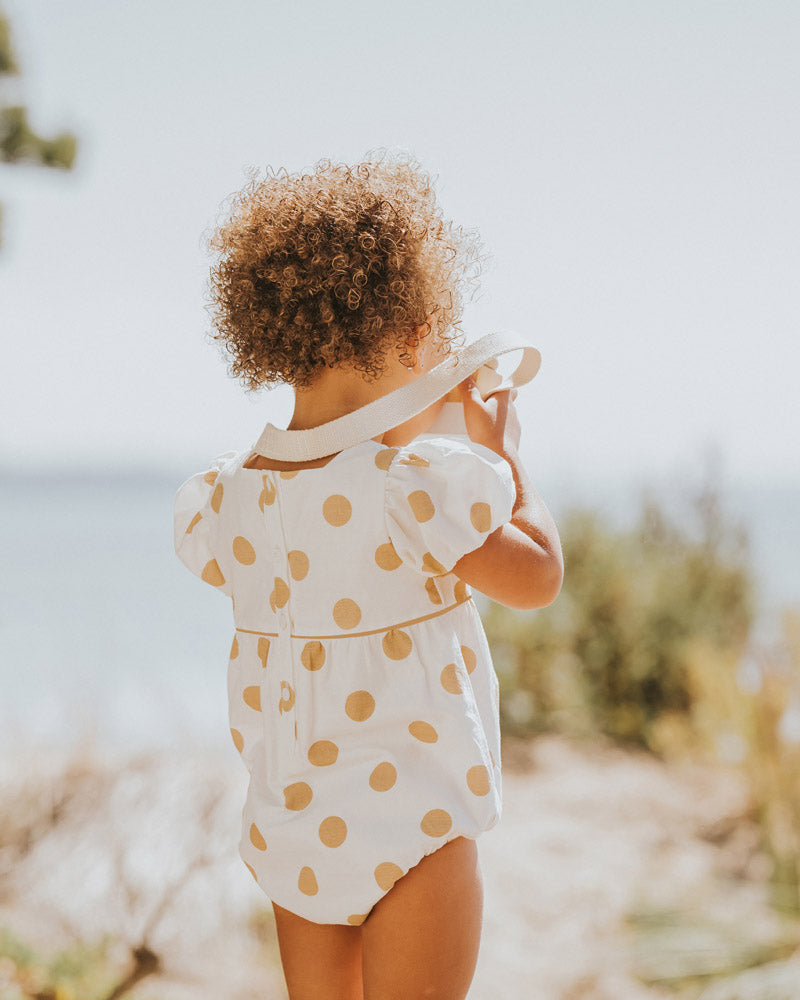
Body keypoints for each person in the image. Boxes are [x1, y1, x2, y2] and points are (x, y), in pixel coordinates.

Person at [174, 151, 563, 1000]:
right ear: (416, 336)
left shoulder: (223, 501)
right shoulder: (409, 489)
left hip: (296, 839)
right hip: (414, 832)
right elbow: (536, 579)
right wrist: (507, 461)